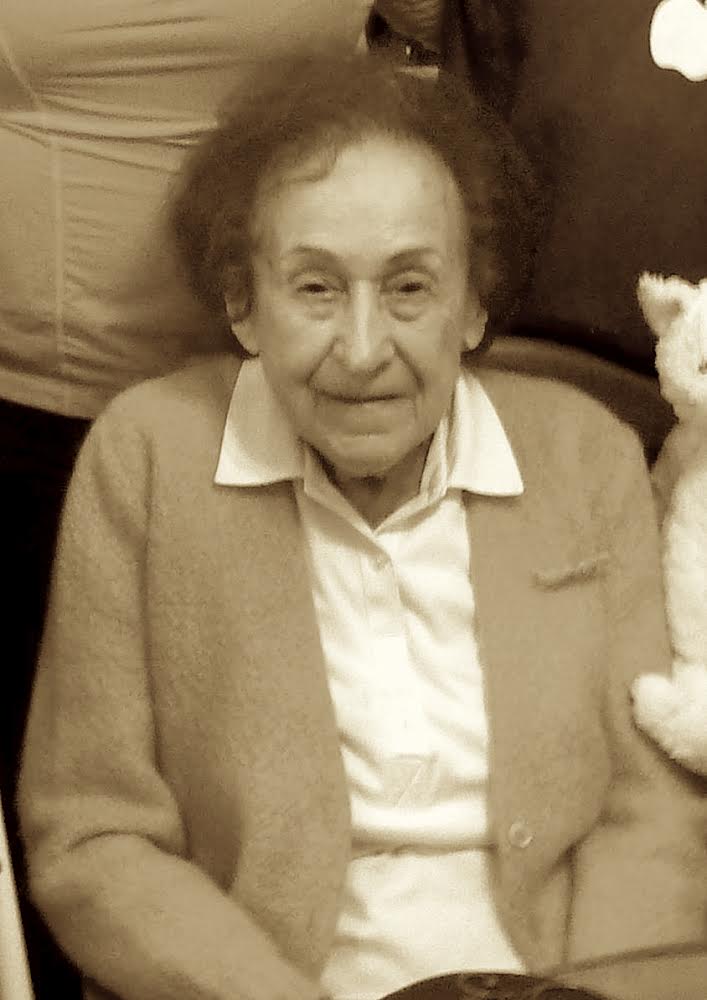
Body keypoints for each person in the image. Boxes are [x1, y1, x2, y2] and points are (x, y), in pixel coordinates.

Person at [19, 52, 707, 1000]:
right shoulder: (147, 459)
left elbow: (650, 811)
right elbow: (94, 836)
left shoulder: (581, 453)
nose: (361, 347)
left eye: (409, 287)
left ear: (474, 302)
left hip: (562, 977)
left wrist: (590, 996)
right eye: (314, 287)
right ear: (242, 303)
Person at [0, 3, 438, 995]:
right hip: (22, 417)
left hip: (303, 400)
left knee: (289, 791)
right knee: (67, 817)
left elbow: (452, 44)